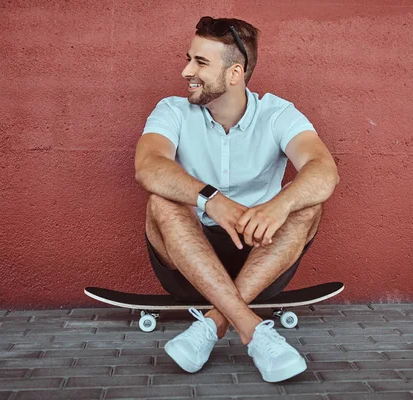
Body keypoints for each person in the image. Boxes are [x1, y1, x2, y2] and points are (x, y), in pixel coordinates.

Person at [134, 16, 339, 383]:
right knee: (161, 200)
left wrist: (280, 204)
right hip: (189, 262)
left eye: (200, 62)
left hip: (260, 258)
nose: (185, 71)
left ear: (234, 73)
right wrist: (210, 200)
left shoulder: (278, 114)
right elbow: (148, 166)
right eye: (188, 58)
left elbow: (323, 169)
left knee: (308, 203)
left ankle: (211, 325)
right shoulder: (172, 110)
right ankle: (252, 328)